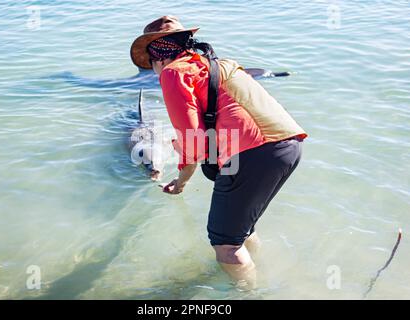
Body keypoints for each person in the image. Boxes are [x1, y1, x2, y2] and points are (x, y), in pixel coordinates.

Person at [130, 16, 307, 289]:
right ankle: (254, 273)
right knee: (241, 231)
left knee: (225, 242)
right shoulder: (222, 65)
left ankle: (248, 293)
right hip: (289, 145)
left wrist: (182, 180)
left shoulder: (173, 73)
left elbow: (193, 142)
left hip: (253, 154)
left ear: (158, 58)